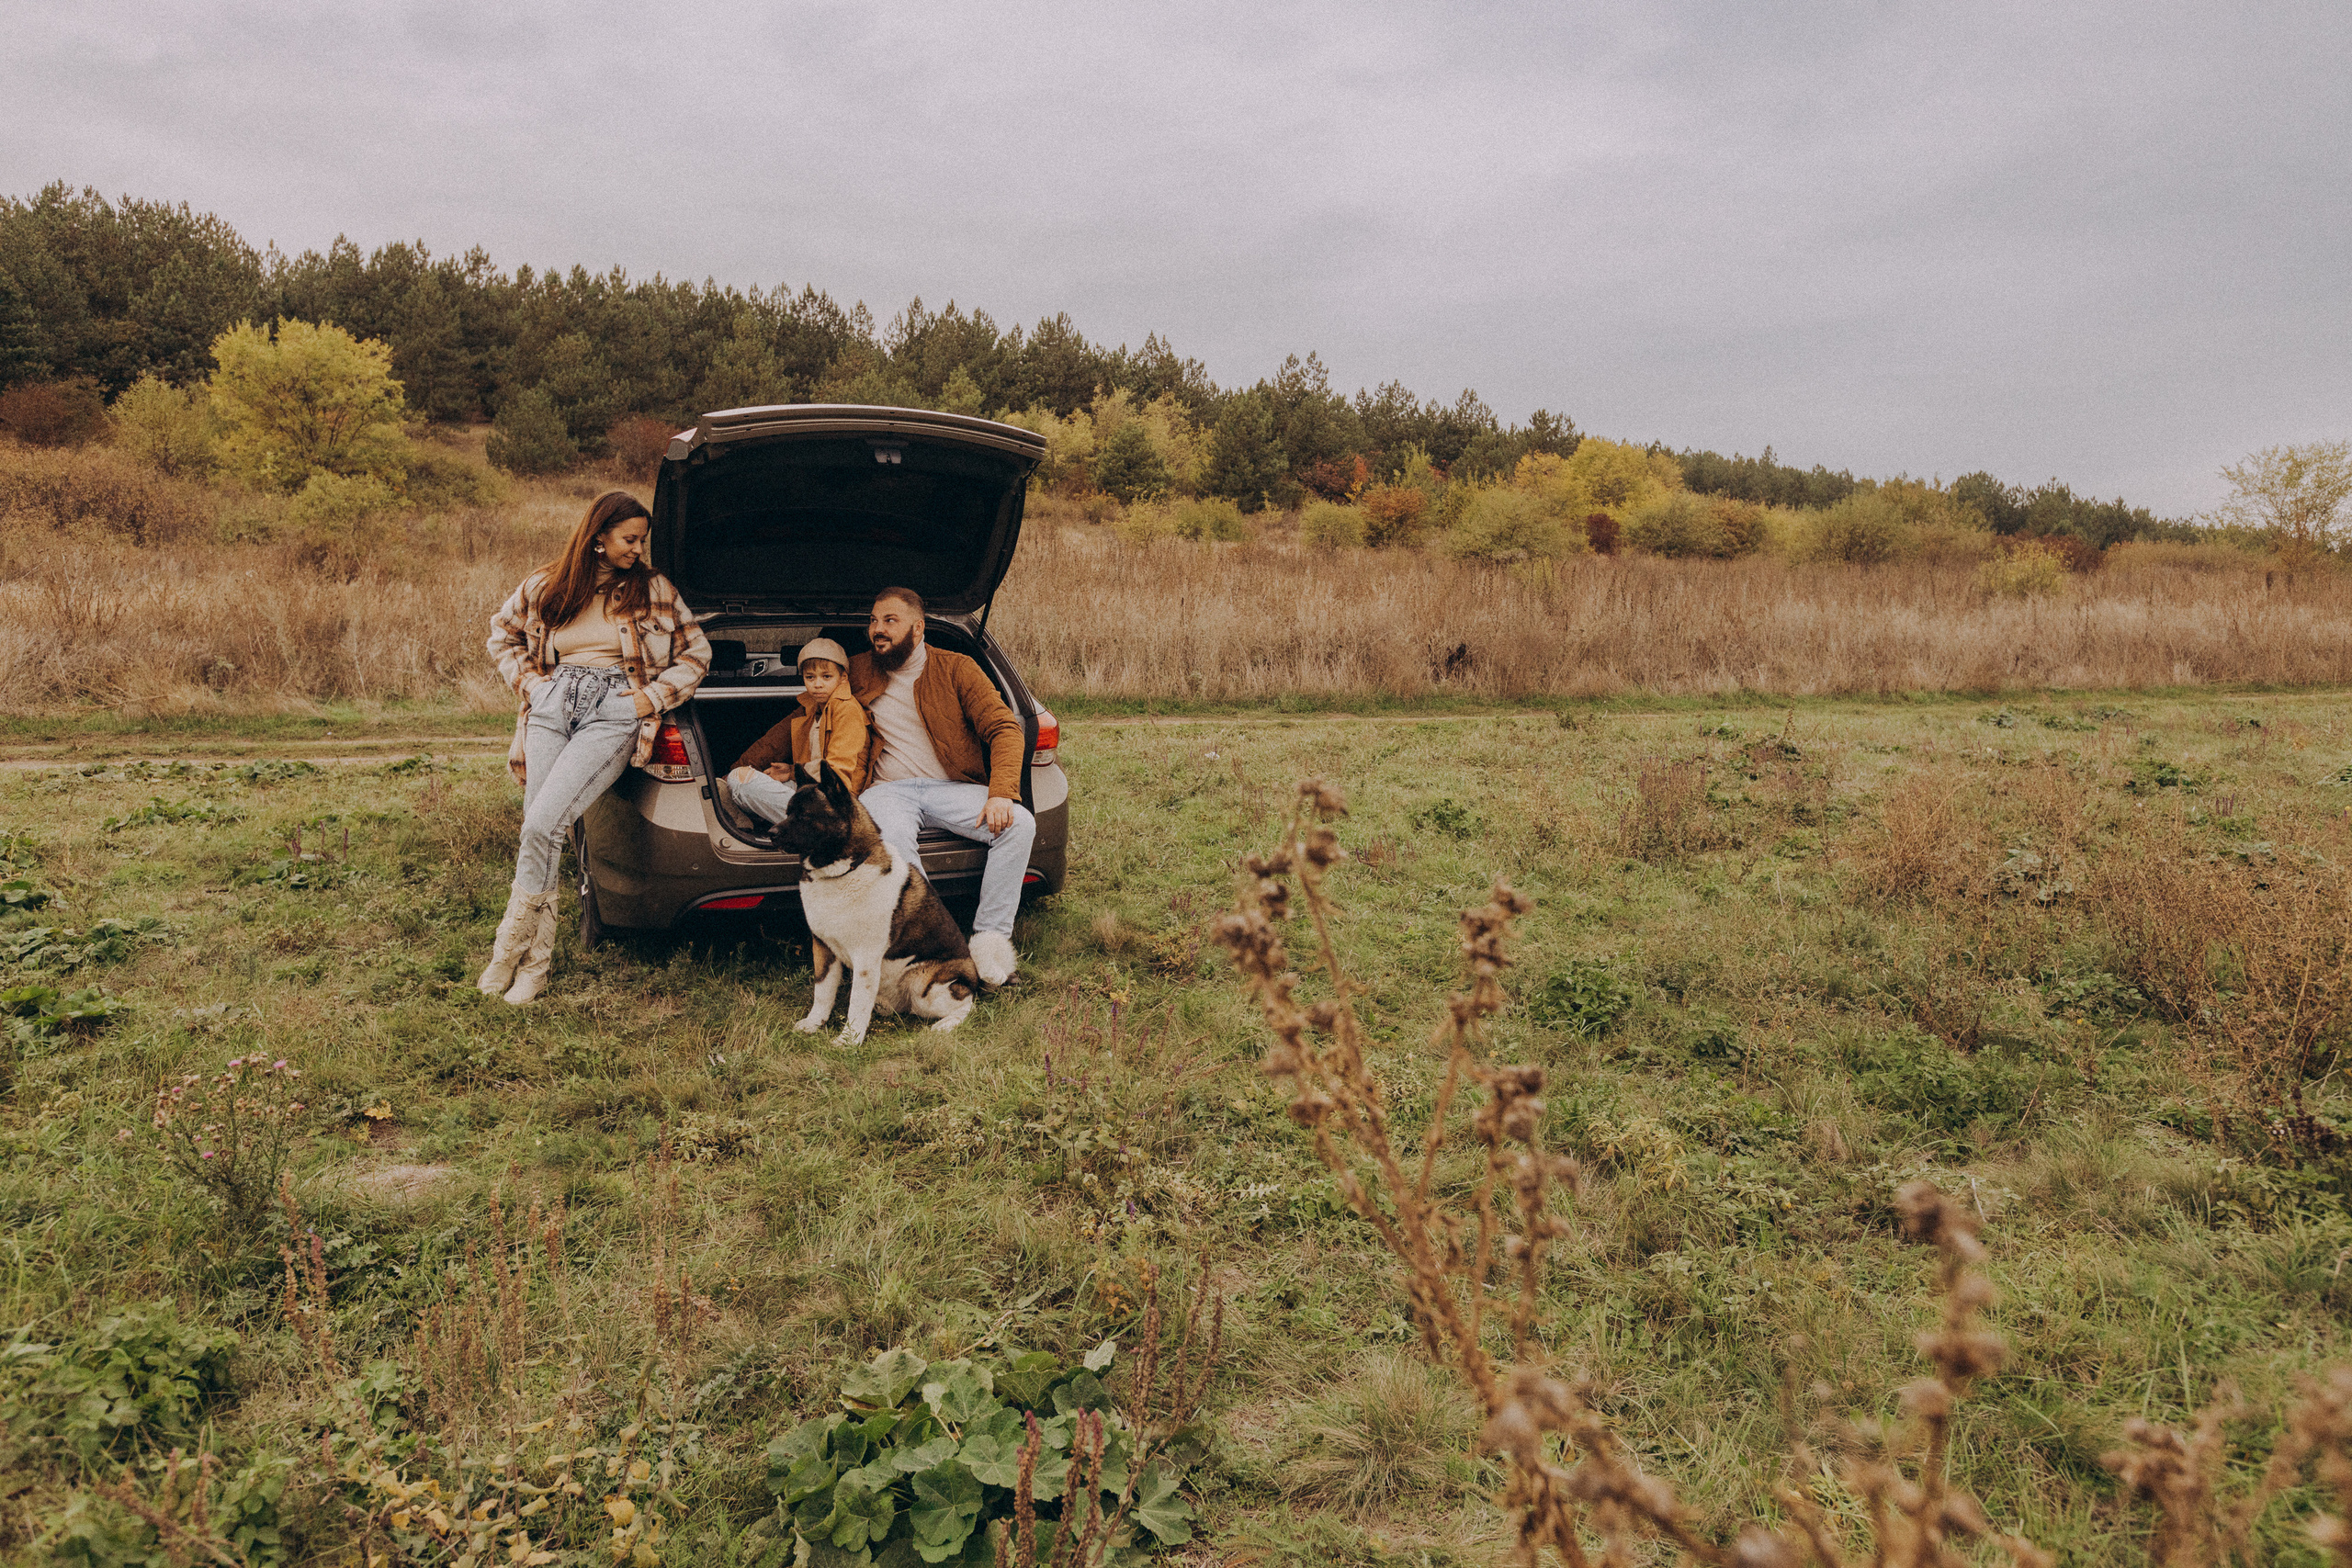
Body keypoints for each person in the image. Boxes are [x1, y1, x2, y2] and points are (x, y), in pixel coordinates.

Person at [481, 491, 711, 1003]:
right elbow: (502, 634)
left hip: (615, 708)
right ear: (598, 539)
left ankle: (507, 952)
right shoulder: (546, 585)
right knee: (540, 830)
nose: (638, 549)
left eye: (641, 540)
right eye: (629, 539)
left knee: (546, 824)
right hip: (551, 704)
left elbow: (696, 652)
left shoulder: (653, 589)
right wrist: (532, 686)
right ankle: (533, 970)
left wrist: (648, 699)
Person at [850, 586, 1033, 986]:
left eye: (890, 621)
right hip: (887, 789)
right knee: (894, 842)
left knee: (1019, 823)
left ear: (918, 627)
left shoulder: (957, 667)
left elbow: (1004, 728)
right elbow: (810, 713)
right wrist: (748, 766)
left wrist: (1001, 792)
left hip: (949, 787)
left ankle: (990, 945)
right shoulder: (857, 670)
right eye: (873, 621)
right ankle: (940, 952)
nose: (877, 630)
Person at [719, 637, 872, 825]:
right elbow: (771, 743)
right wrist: (734, 771)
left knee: (740, 781)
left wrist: (794, 772)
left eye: (827, 677)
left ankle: (819, 826)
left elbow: (835, 773)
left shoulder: (846, 709)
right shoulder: (810, 707)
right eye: (810, 677)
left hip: (836, 802)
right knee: (742, 775)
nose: (817, 684)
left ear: (843, 678)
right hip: (813, 791)